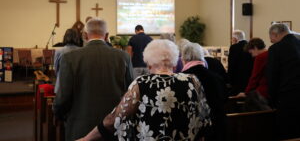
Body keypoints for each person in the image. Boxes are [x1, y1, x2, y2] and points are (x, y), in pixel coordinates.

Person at [77, 39, 212, 141]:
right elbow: (204, 121)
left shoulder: (142, 83)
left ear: (148, 63)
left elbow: (114, 118)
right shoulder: (192, 81)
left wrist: (86, 139)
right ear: (175, 61)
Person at [53, 18, 134, 141]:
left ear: (85, 35)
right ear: (107, 36)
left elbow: (63, 97)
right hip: (114, 129)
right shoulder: (123, 57)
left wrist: (60, 115)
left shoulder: (69, 58)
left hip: (79, 128)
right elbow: (130, 94)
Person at [181, 42, 227, 141]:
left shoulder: (181, 80)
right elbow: (224, 100)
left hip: (194, 132)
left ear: (183, 59)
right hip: (217, 129)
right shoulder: (217, 78)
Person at [267, 23, 300, 140]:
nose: (271, 42)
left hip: (287, 98)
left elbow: (272, 77)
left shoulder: (276, 49)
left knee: (286, 133)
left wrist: (272, 101)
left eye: (271, 39)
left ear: (274, 34)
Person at [54, 28, 80, 93]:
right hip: (77, 86)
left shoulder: (59, 51)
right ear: (77, 37)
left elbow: (56, 69)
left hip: (61, 86)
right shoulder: (81, 51)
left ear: (65, 37)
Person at [228, 30, 254, 95]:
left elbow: (231, 65)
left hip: (237, 78)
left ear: (236, 38)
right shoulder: (251, 46)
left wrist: (229, 80)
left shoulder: (234, 47)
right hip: (249, 77)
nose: (231, 40)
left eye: (232, 38)